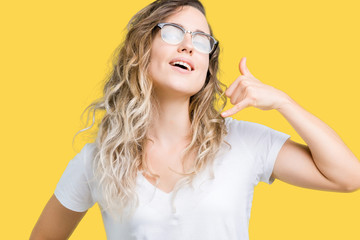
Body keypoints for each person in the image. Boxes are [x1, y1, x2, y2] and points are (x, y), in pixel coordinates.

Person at [30, 0, 360, 239]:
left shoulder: (243, 142)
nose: (189, 45)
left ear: (206, 69)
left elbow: (348, 177)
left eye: (201, 40)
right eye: (173, 32)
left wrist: (284, 103)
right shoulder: (98, 159)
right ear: (141, 51)